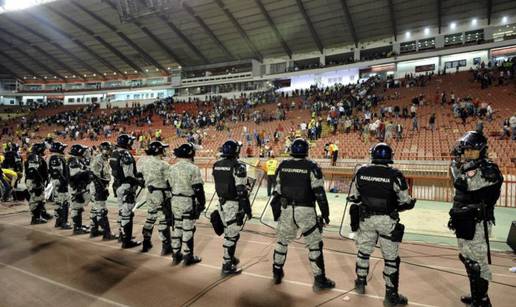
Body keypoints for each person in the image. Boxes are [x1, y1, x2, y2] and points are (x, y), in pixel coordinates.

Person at [347, 143, 416, 306]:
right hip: (387, 221)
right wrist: (408, 203)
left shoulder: (361, 172)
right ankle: (391, 296)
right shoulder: (395, 175)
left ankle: (360, 283)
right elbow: (405, 201)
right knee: (391, 258)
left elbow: (354, 198)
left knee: (363, 252)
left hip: (366, 219)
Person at [269, 138, 335, 292]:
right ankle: (320, 280)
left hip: (286, 210)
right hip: (305, 210)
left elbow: (277, 191)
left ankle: (277, 273)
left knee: (281, 241)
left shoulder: (283, 165)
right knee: (314, 244)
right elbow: (319, 194)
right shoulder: (312, 167)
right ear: (306, 150)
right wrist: (325, 214)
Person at [448, 131, 503, 307]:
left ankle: (483, 301)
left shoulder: (489, 169)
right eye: (465, 150)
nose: (467, 153)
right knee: (467, 259)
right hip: (464, 220)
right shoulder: (470, 167)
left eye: (471, 150)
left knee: (477, 264)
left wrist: (455, 170)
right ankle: (476, 296)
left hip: (478, 224)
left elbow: (466, 184)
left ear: (481, 150)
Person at [212, 140, 252, 276]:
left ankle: (231, 257)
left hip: (221, 204)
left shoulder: (216, 165)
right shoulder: (238, 166)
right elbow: (241, 191)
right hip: (233, 205)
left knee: (232, 233)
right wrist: (246, 209)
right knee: (231, 235)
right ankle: (226, 265)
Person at [169, 143, 205, 265]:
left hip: (175, 201)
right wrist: (202, 203)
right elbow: (198, 188)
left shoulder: (172, 167)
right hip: (187, 201)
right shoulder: (193, 168)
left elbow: (169, 185)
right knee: (188, 229)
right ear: (191, 154)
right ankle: (188, 256)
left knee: (177, 227)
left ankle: (175, 254)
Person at [138, 141, 174, 255]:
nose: (164, 150)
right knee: (163, 219)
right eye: (163, 148)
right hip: (160, 194)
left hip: (149, 193)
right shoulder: (164, 164)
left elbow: (141, 177)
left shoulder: (144, 163)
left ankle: (146, 242)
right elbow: (170, 181)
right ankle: (166, 246)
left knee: (150, 217)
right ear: (159, 150)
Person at [110, 134, 144, 249]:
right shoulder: (125, 154)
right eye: (131, 141)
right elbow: (128, 175)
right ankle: (126, 240)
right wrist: (139, 181)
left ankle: (122, 235)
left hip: (118, 186)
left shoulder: (114, 153)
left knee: (121, 211)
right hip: (126, 187)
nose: (133, 143)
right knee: (127, 213)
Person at [90, 141, 117, 240]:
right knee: (102, 210)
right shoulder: (98, 159)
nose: (111, 150)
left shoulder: (105, 159)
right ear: (104, 149)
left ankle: (94, 230)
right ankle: (107, 234)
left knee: (95, 208)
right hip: (98, 187)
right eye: (109, 149)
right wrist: (103, 189)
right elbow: (96, 176)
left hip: (100, 185)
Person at [24, 142, 52, 224]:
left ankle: (42, 214)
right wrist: (38, 182)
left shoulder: (36, 157)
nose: (44, 150)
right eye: (43, 149)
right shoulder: (34, 157)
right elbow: (33, 171)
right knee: (36, 198)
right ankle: (36, 218)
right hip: (35, 181)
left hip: (36, 181)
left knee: (40, 198)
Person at [68, 144, 93, 235]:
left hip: (80, 187)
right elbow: (75, 176)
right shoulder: (73, 160)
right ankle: (77, 228)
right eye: (84, 150)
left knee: (79, 207)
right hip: (76, 188)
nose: (86, 152)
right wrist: (87, 172)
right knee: (76, 207)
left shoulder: (78, 160)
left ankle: (79, 225)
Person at [48, 141, 71, 229]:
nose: (64, 150)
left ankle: (58, 221)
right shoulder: (56, 158)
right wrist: (64, 182)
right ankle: (63, 222)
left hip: (58, 183)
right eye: (63, 148)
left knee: (59, 203)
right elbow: (57, 172)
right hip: (60, 184)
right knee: (64, 203)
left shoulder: (57, 157)